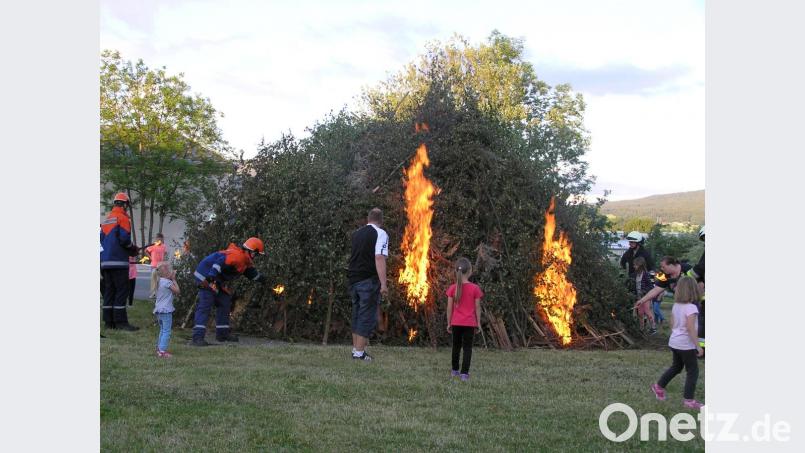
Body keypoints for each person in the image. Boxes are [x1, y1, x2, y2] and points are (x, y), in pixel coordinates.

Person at [191, 237, 268, 346]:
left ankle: (222, 335)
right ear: (251, 251)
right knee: (206, 304)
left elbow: (252, 274)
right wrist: (211, 277)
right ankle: (197, 338)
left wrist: (265, 280)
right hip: (205, 276)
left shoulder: (245, 261)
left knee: (224, 301)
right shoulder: (237, 256)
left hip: (214, 279)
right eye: (256, 254)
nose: (256, 257)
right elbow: (219, 262)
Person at [650, 276, 704, 409]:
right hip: (686, 345)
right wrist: (697, 346)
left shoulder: (676, 306)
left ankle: (658, 386)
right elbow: (691, 328)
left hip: (675, 342)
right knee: (693, 371)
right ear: (693, 291)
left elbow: (673, 323)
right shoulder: (691, 308)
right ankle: (689, 400)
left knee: (676, 367)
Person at [346, 208, 389, 361]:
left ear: (368, 219)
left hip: (353, 278)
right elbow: (379, 257)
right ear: (381, 220)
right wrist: (383, 284)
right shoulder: (381, 233)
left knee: (357, 313)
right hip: (368, 280)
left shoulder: (357, 234)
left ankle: (355, 350)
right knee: (367, 315)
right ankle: (359, 353)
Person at [100, 192, 140, 331]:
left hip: (105, 262)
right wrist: (133, 249)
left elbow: (101, 241)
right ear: (125, 204)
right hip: (118, 262)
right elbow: (124, 240)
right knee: (122, 291)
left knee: (109, 291)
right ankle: (121, 322)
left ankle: (108, 322)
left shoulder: (106, 220)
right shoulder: (122, 218)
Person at [446, 257, 483, 381]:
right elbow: (477, 308)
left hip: (456, 323)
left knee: (456, 347)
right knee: (467, 348)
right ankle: (464, 374)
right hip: (469, 323)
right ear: (470, 271)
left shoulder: (452, 288)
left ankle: (454, 370)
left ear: (456, 271)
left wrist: (449, 323)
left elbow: (449, 308)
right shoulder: (475, 289)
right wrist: (478, 323)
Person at [154, 262, 179, 357]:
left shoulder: (159, 280)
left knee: (162, 329)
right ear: (168, 273)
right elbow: (177, 291)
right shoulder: (168, 283)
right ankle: (162, 351)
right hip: (166, 311)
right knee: (166, 331)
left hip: (159, 310)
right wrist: (174, 280)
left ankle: (159, 348)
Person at [631, 257, 656, 334]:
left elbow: (651, 286)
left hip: (645, 297)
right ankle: (641, 329)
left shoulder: (645, 274)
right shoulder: (635, 275)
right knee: (640, 313)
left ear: (640, 265)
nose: (634, 266)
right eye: (634, 265)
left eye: (636, 265)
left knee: (647, 311)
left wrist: (644, 291)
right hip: (638, 297)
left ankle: (653, 328)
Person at [146, 233, 168, 299]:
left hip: (161, 266)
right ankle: (153, 293)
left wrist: (163, 261)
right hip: (153, 265)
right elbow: (146, 251)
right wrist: (150, 257)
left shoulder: (164, 246)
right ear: (156, 239)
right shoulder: (153, 246)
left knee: (159, 280)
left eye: (161, 239)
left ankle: (158, 293)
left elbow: (165, 253)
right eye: (158, 239)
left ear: (162, 239)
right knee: (154, 279)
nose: (159, 240)